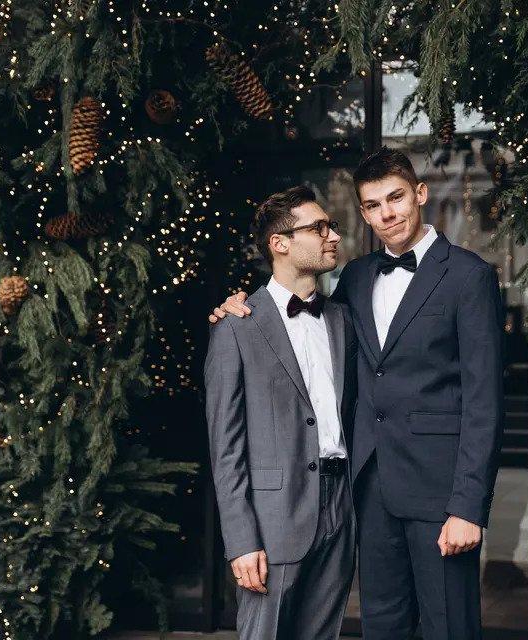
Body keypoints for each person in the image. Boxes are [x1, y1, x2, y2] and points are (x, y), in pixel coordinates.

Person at [210, 148, 504, 640]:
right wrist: (236, 306)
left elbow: (484, 402)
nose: (386, 214)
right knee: (381, 626)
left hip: (440, 495)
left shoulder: (468, 275)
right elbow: (290, 321)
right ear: (364, 213)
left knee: (449, 627)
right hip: (367, 493)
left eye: (396, 198)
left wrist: (468, 507)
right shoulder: (355, 278)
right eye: (372, 206)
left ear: (421, 195)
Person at [204, 185, 357, 640]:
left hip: (339, 507)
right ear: (280, 243)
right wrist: (241, 539)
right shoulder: (236, 325)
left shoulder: (342, 320)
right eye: (318, 227)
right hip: (272, 517)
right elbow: (225, 447)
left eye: (332, 227)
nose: (332, 236)